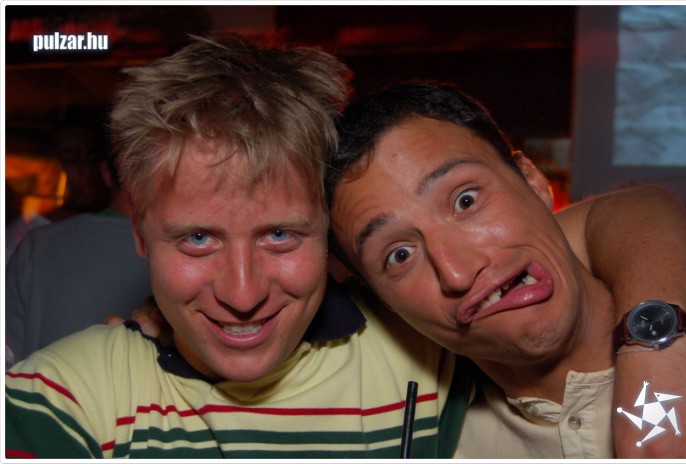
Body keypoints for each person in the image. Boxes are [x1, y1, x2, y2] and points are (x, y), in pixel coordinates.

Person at [4, 35, 468, 459]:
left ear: (328, 233)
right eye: (198, 238)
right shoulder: (62, 401)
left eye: (279, 235)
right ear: (141, 237)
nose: (242, 296)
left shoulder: (434, 357)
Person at [325, 81, 686, 459]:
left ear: (533, 182)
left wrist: (657, 347)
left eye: (466, 201)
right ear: (381, 302)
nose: (458, 271)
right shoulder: (434, 440)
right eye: (400, 255)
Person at [4, 117, 152, 367]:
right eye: (71, 160)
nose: (84, 172)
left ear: (105, 172)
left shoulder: (36, 246)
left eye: (89, 159)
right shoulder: (30, 239)